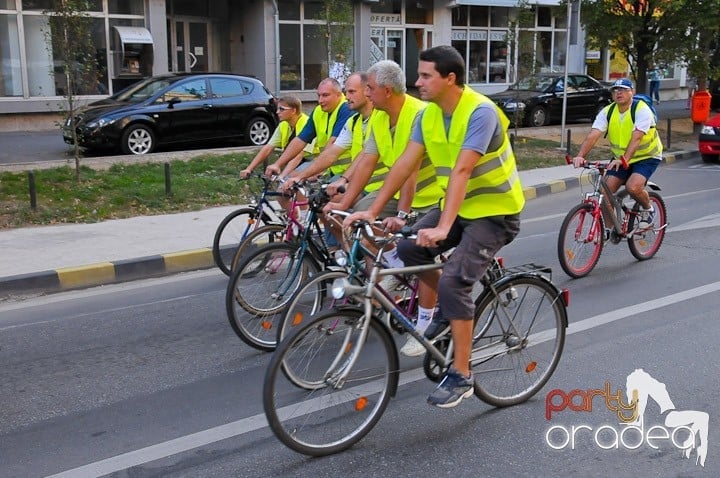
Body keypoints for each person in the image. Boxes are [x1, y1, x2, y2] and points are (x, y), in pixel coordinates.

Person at [344, 45, 524, 408]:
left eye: (425, 75)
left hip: (494, 211)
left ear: (450, 78)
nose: (417, 81)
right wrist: (371, 210)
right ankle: (448, 308)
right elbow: (404, 166)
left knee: (456, 281)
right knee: (407, 250)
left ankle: (462, 375)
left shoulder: (480, 112)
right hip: (456, 207)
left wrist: (442, 228)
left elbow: (461, 170)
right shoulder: (427, 117)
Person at [572, 78, 663, 236]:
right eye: (615, 90)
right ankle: (609, 230)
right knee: (605, 192)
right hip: (620, 159)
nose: (618, 93)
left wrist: (624, 160)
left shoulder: (641, 110)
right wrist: (580, 156)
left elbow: (636, 138)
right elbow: (593, 135)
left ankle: (649, 210)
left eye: (623, 89)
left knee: (633, 187)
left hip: (647, 157)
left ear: (631, 92)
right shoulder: (608, 111)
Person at [265, 78, 353, 179]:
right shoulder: (318, 112)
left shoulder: (346, 109)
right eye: (318, 95)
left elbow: (332, 146)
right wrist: (277, 164)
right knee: (291, 185)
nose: (320, 100)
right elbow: (300, 140)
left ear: (338, 94)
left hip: (348, 171)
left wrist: (305, 175)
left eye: (325, 95)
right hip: (330, 168)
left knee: (297, 183)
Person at [240, 95, 317, 180]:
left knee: (288, 181)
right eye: (277, 109)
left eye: (282, 109)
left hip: (312, 161)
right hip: (293, 162)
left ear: (293, 111)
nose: (277, 112)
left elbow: (298, 155)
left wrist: (282, 176)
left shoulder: (306, 123)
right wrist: (249, 169)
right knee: (282, 183)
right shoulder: (283, 125)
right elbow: (268, 148)